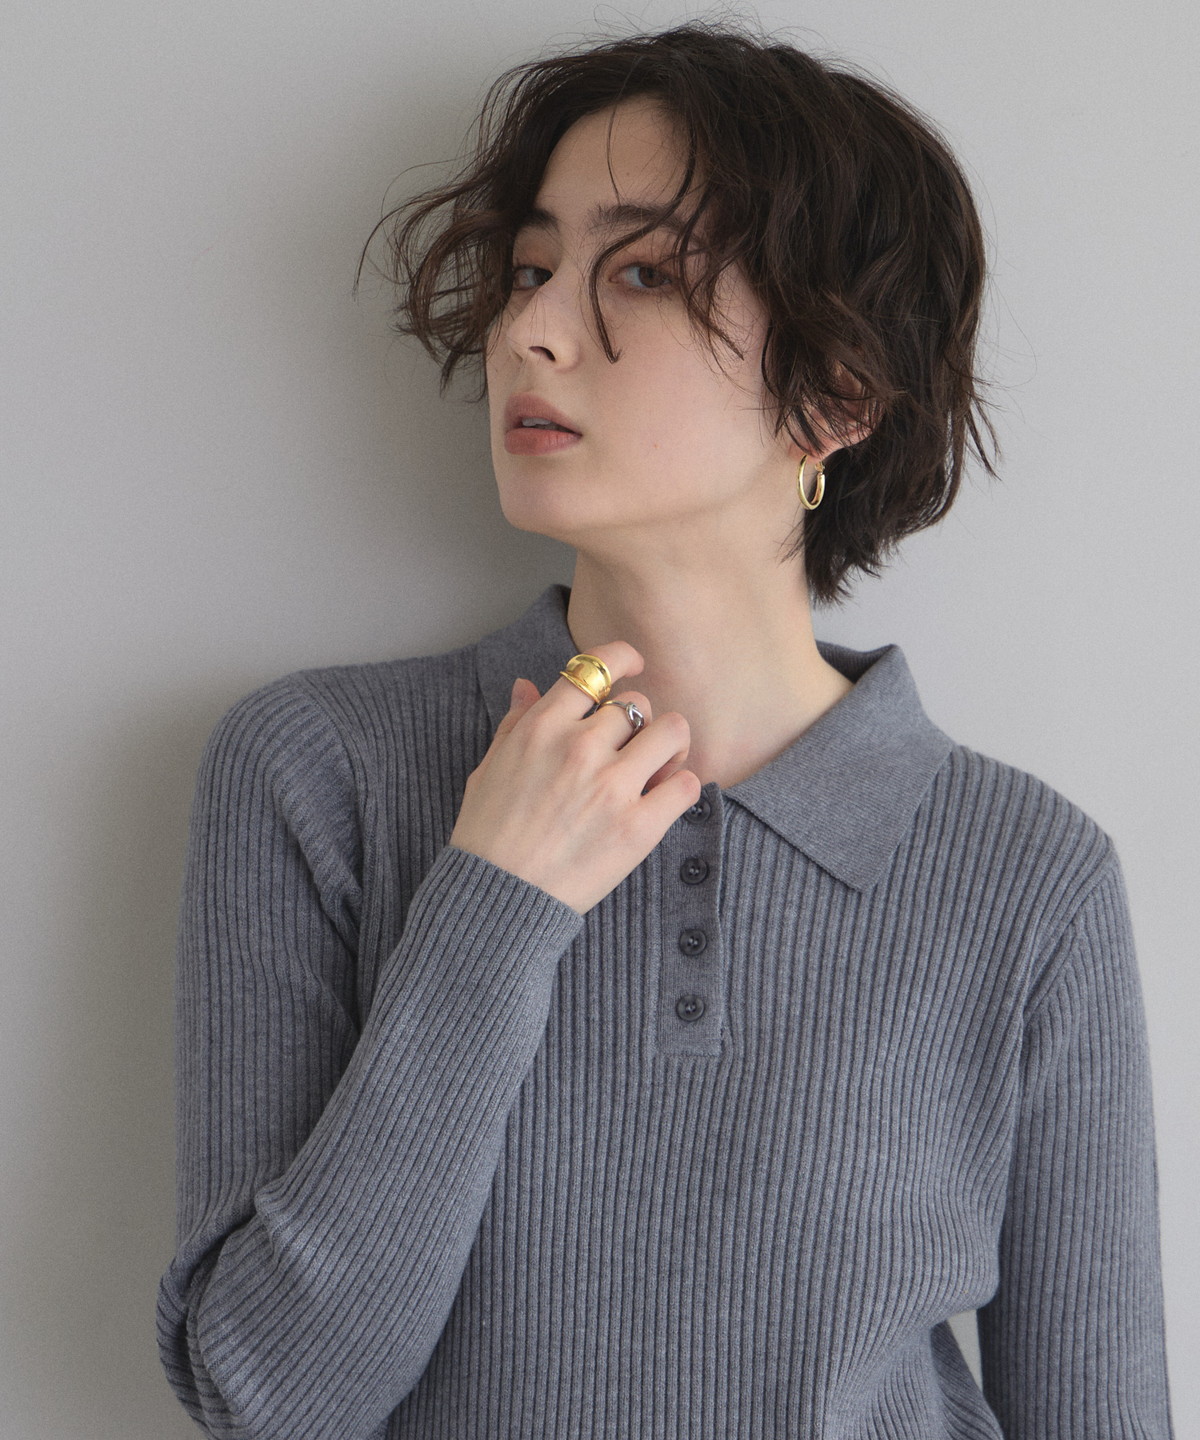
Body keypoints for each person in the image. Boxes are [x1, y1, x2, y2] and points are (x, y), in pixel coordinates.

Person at [156, 19, 1174, 1439]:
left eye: (640, 271)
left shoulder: (1028, 875)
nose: (530, 329)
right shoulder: (319, 771)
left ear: (837, 393)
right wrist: (492, 904)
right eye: (531, 269)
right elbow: (267, 1395)